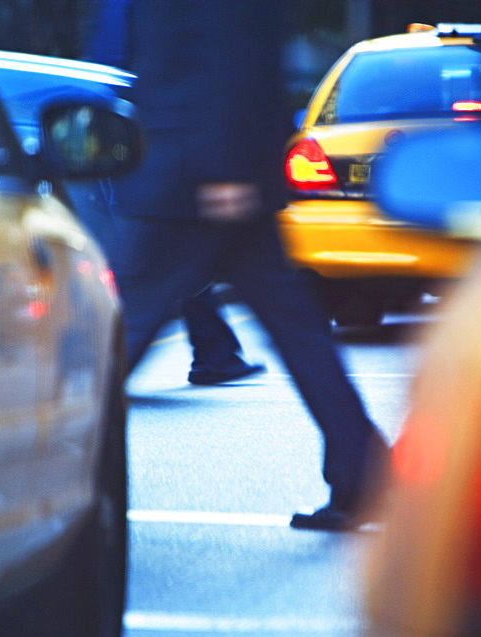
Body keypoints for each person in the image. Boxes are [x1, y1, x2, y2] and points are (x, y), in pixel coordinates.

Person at [103, 0, 390, 530]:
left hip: (195, 176)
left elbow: (228, 46)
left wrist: (224, 167)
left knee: (120, 333)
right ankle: (363, 471)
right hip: (208, 168)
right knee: (298, 331)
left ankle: (42, 475)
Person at [81, 0, 265, 387]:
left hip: (151, 146)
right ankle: (90, 397)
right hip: (159, 149)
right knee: (153, 281)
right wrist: (223, 165)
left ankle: (217, 351)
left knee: (168, 269)